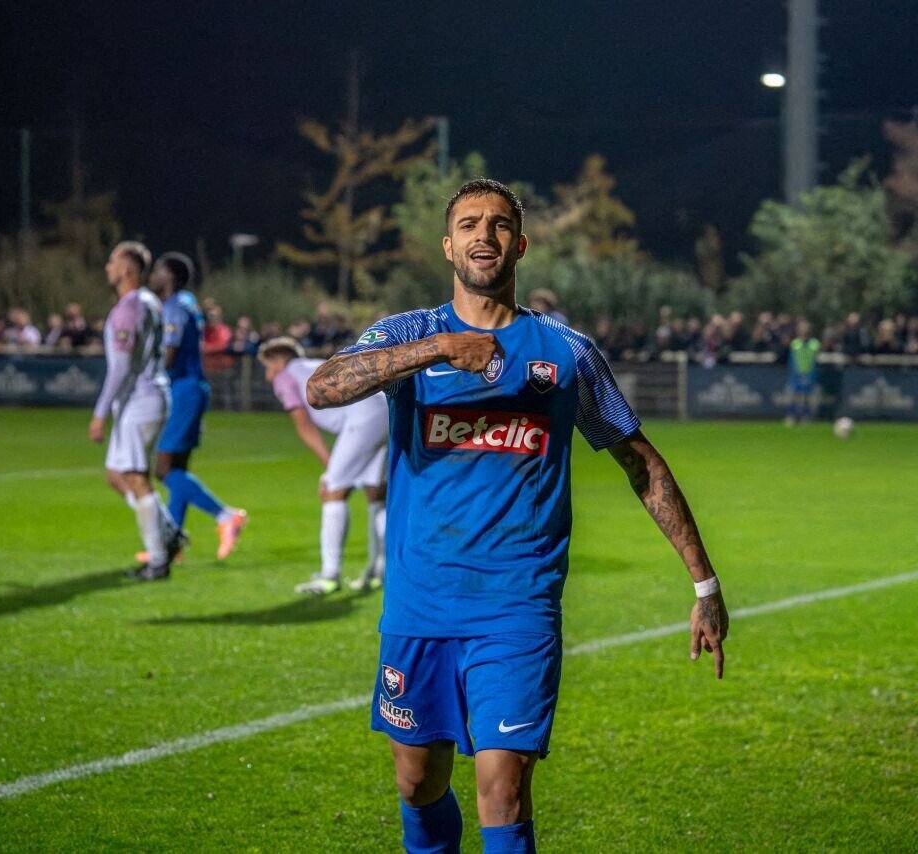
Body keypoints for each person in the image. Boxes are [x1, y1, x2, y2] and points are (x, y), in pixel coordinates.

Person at [305, 179, 729, 854]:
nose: (484, 236)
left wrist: (704, 585)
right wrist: (441, 349)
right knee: (417, 782)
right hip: (421, 600)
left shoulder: (565, 353)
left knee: (502, 788)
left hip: (516, 605)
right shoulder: (410, 333)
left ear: (520, 245)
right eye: (469, 224)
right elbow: (322, 387)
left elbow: (640, 462)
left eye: (500, 225)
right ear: (448, 246)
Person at [258, 336, 388, 594]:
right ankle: (380, 570)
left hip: (364, 419)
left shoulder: (287, 375)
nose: (268, 374)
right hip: (385, 410)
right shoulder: (313, 365)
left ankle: (330, 576)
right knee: (376, 495)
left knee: (332, 490)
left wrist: (329, 468)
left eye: (267, 365)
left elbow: (302, 423)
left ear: (278, 359)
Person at [89, 241, 180, 582]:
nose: (107, 267)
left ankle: (157, 561)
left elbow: (123, 364)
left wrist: (100, 412)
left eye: (112, 261)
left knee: (136, 477)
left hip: (140, 397)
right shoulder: (148, 302)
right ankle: (169, 532)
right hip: (146, 395)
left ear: (127, 269)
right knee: (117, 474)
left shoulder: (130, 306)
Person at [149, 252, 248, 562]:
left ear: (169, 277)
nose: (152, 276)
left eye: (157, 271)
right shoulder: (188, 302)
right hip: (192, 387)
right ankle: (171, 542)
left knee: (163, 469)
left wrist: (149, 378)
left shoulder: (174, 306)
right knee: (178, 468)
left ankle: (225, 515)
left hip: (183, 390)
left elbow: (170, 352)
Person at [785, 318, 820, 425]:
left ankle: (806, 416)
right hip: (796, 373)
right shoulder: (795, 343)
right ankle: (791, 416)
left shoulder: (814, 343)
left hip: (810, 372)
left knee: (807, 396)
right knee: (794, 395)